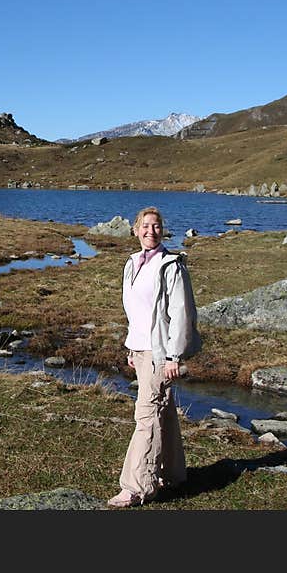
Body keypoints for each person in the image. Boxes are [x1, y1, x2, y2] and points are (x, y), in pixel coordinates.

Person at [107, 206, 201, 508]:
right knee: (163, 408)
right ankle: (173, 473)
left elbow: (181, 314)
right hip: (140, 349)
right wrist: (131, 347)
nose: (151, 231)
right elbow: (135, 311)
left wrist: (173, 356)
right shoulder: (131, 262)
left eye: (156, 226)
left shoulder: (170, 265)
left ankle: (137, 486)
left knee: (146, 415)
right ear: (135, 230)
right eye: (145, 226)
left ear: (163, 230)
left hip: (161, 353)